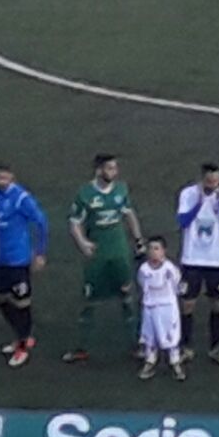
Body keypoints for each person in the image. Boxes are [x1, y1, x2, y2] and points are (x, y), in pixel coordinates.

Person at [65, 153, 143, 364]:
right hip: (98, 255)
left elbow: (129, 214)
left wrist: (138, 240)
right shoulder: (85, 194)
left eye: (115, 168)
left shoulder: (121, 190)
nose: (113, 172)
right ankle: (82, 347)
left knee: (127, 297)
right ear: (98, 170)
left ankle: (136, 345)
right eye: (109, 168)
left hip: (119, 252)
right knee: (89, 300)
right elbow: (74, 222)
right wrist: (83, 243)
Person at [176, 162, 219, 366]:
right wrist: (198, 203)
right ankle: (186, 348)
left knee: (217, 304)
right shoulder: (188, 194)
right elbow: (183, 221)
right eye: (209, 181)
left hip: (217, 260)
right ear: (201, 179)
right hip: (192, 259)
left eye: (216, 181)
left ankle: (215, 349)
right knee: (187, 304)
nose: (213, 185)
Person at [0, 163, 48, 369]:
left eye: (5, 178)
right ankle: (23, 334)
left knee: (21, 302)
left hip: (18, 260)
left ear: (12, 177)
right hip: (1, 258)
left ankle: (22, 345)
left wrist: (39, 252)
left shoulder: (22, 198)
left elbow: (41, 221)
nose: (1, 181)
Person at [136, 236, 185, 381]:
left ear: (163, 251)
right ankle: (150, 361)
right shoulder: (144, 269)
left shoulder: (170, 269)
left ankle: (175, 362)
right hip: (150, 307)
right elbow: (142, 285)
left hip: (167, 308)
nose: (153, 252)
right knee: (150, 335)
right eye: (150, 248)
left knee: (171, 335)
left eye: (156, 248)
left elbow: (177, 285)